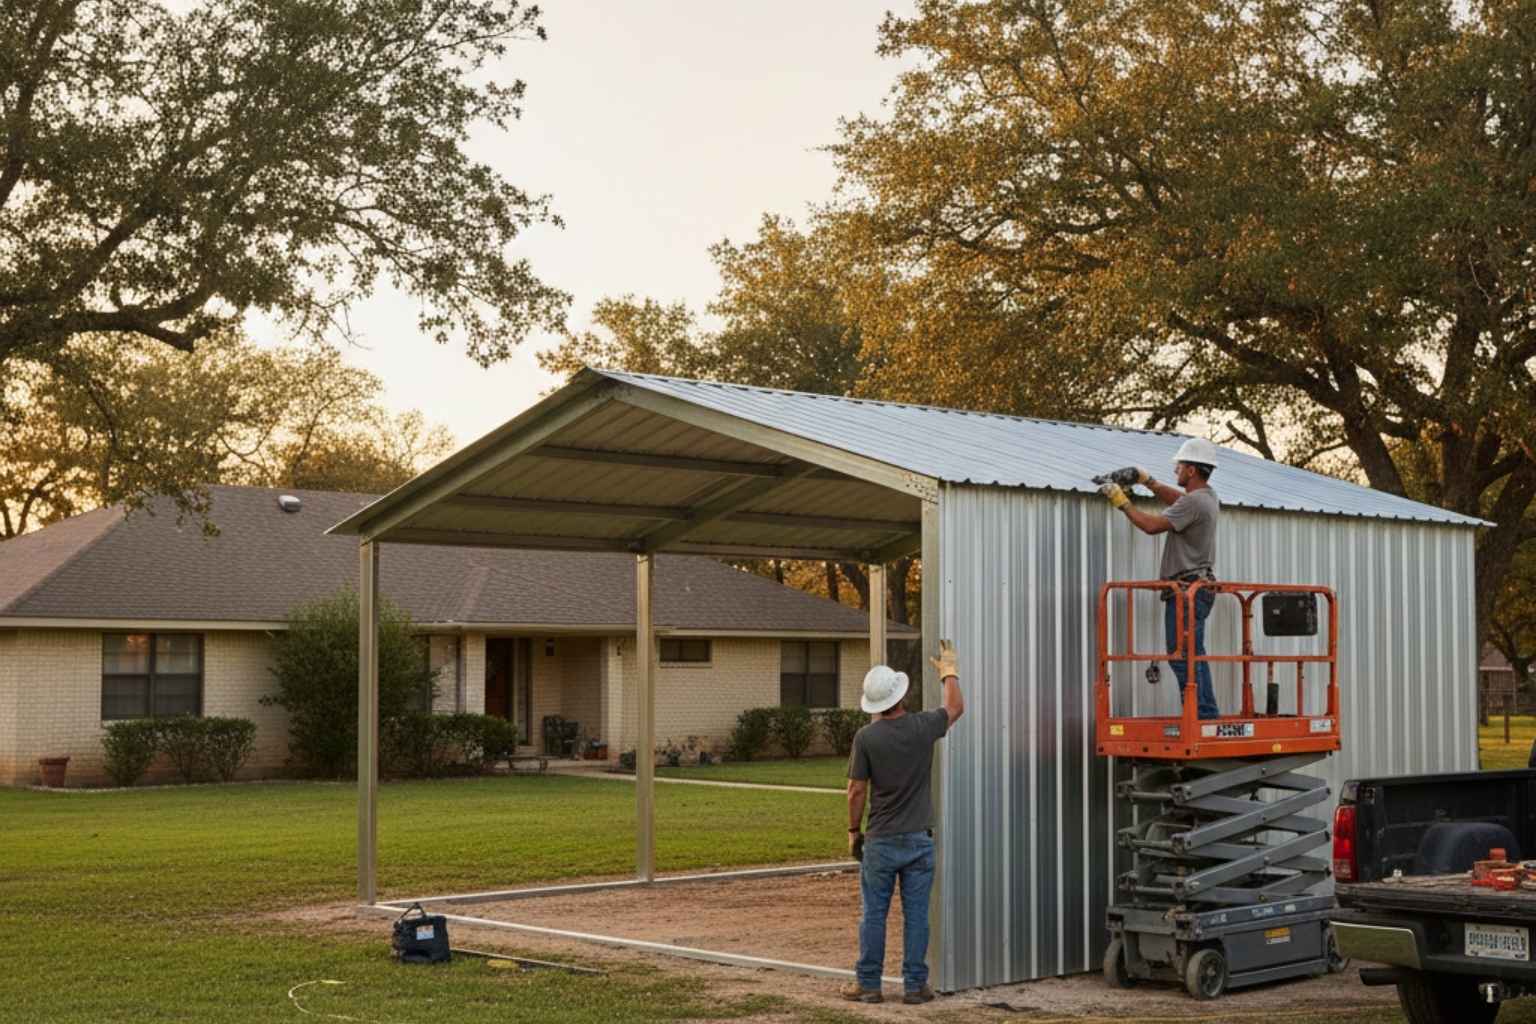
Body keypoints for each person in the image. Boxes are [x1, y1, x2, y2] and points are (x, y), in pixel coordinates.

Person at [841, 640, 965, 1005]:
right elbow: (955, 707)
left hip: (880, 840)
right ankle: (914, 987)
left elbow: (855, 791)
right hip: (918, 840)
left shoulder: (866, 738)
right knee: (916, 917)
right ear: (900, 695)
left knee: (874, 915)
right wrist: (949, 672)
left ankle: (868, 985)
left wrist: (853, 832)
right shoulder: (923, 727)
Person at [1099, 438, 1222, 719]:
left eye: (1180, 466)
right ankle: (1204, 713)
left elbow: (1151, 526)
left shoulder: (1195, 502)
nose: (1176, 469)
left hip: (1187, 590)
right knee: (1191, 653)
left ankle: (1202, 715)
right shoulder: (1208, 497)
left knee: (1183, 655)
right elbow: (1179, 501)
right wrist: (1148, 481)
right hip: (1195, 588)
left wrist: (1121, 501)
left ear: (1191, 470)